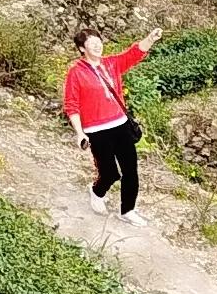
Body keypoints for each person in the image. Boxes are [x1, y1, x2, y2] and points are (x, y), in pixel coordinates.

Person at [64, 27, 164, 225]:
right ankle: (96, 192)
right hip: (96, 130)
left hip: (120, 124)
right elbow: (71, 105)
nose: (97, 45)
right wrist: (79, 133)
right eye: (91, 43)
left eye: (98, 41)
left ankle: (128, 210)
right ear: (82, 48)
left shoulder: (111, 64)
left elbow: (134, 54)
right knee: (109, 173)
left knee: (130, 170)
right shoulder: (76, 73)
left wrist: (150, 38)